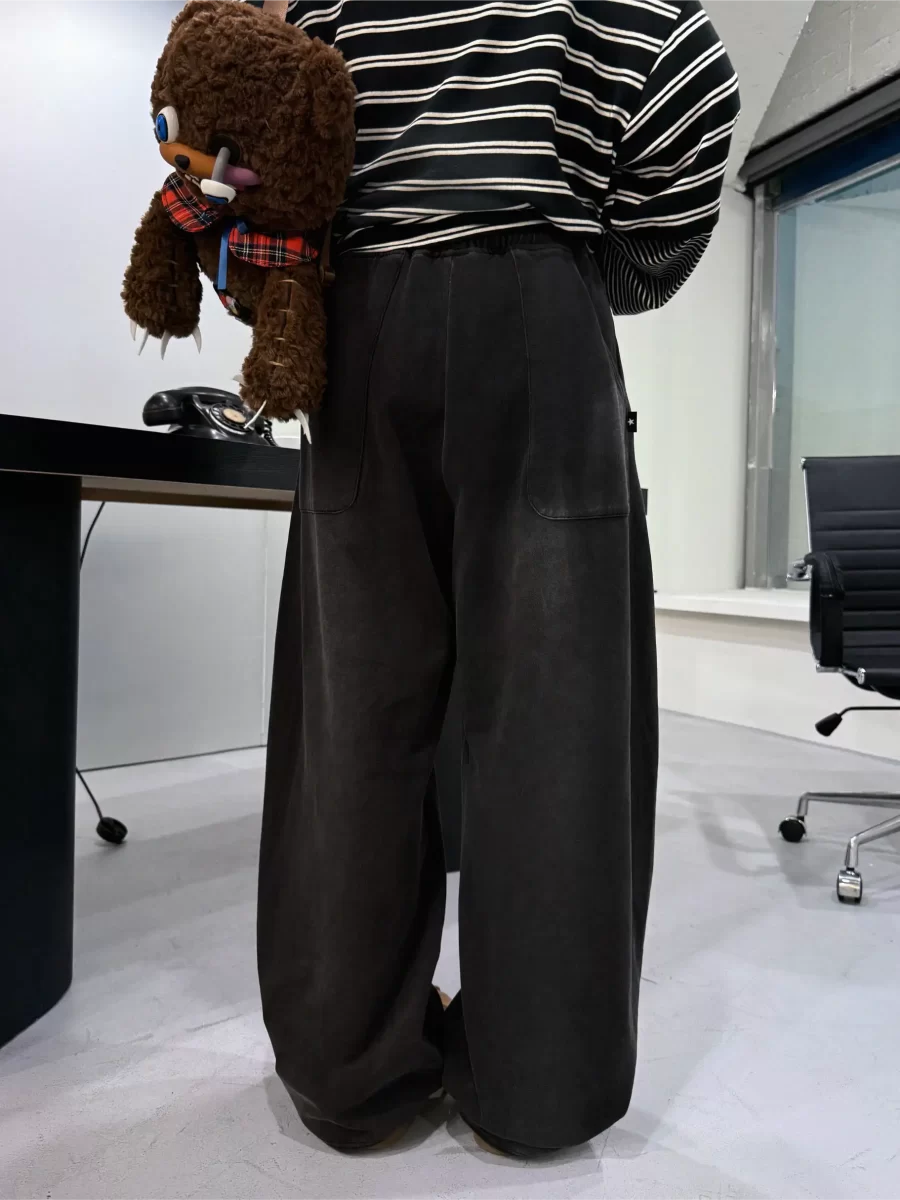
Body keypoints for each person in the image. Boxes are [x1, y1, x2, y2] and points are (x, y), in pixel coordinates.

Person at [258, 0, 739, 1158]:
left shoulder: (319, 4)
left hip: (360, 329)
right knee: (555, 721)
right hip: (540, 318)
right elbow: (691, 107)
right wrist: (585, 274)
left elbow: (266, 147)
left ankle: (349, 1068)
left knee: (356, 716)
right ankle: (540, 1086)